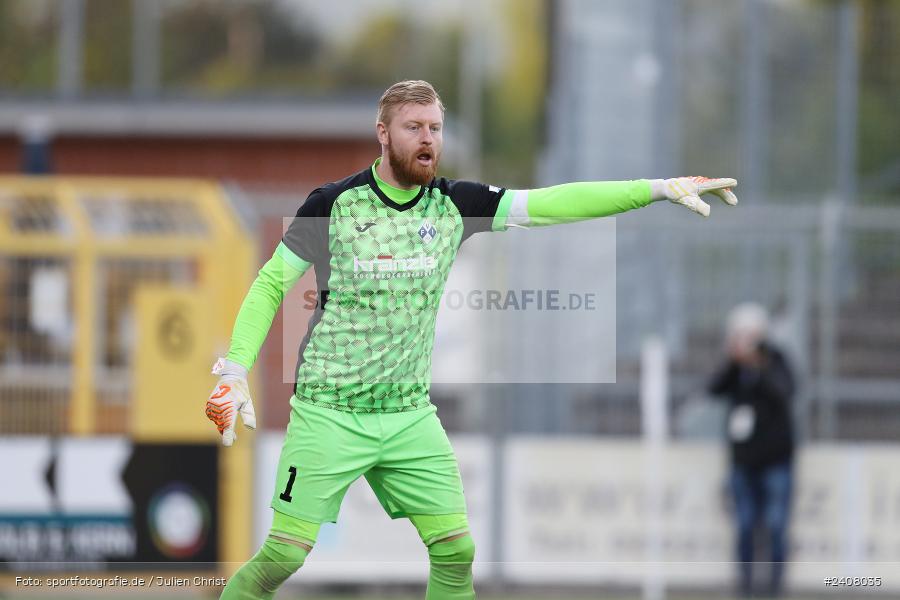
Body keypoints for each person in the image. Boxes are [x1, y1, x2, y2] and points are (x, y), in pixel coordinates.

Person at [205, 80, 739, 599]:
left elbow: (552, 203)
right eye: (413, 127)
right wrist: (234, 369)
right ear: (383, 134)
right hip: (329, 412)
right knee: (283, 559)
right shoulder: (333, 204)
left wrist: (657, 189)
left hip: (408, 414)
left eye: (435, 127)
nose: (428, 139)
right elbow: (272, 283)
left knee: (457, 552)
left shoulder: (454, 206)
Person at [708, 303, 796, 598]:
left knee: (775, 524)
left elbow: (786, 392)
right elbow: (713, 388)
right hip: (743, 461)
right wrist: (734, 362)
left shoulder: (776, 361)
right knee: (745, 523)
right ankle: (745, 585)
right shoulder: (736, 369)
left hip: (776, 460)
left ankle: (775, 587)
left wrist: (761, 364)